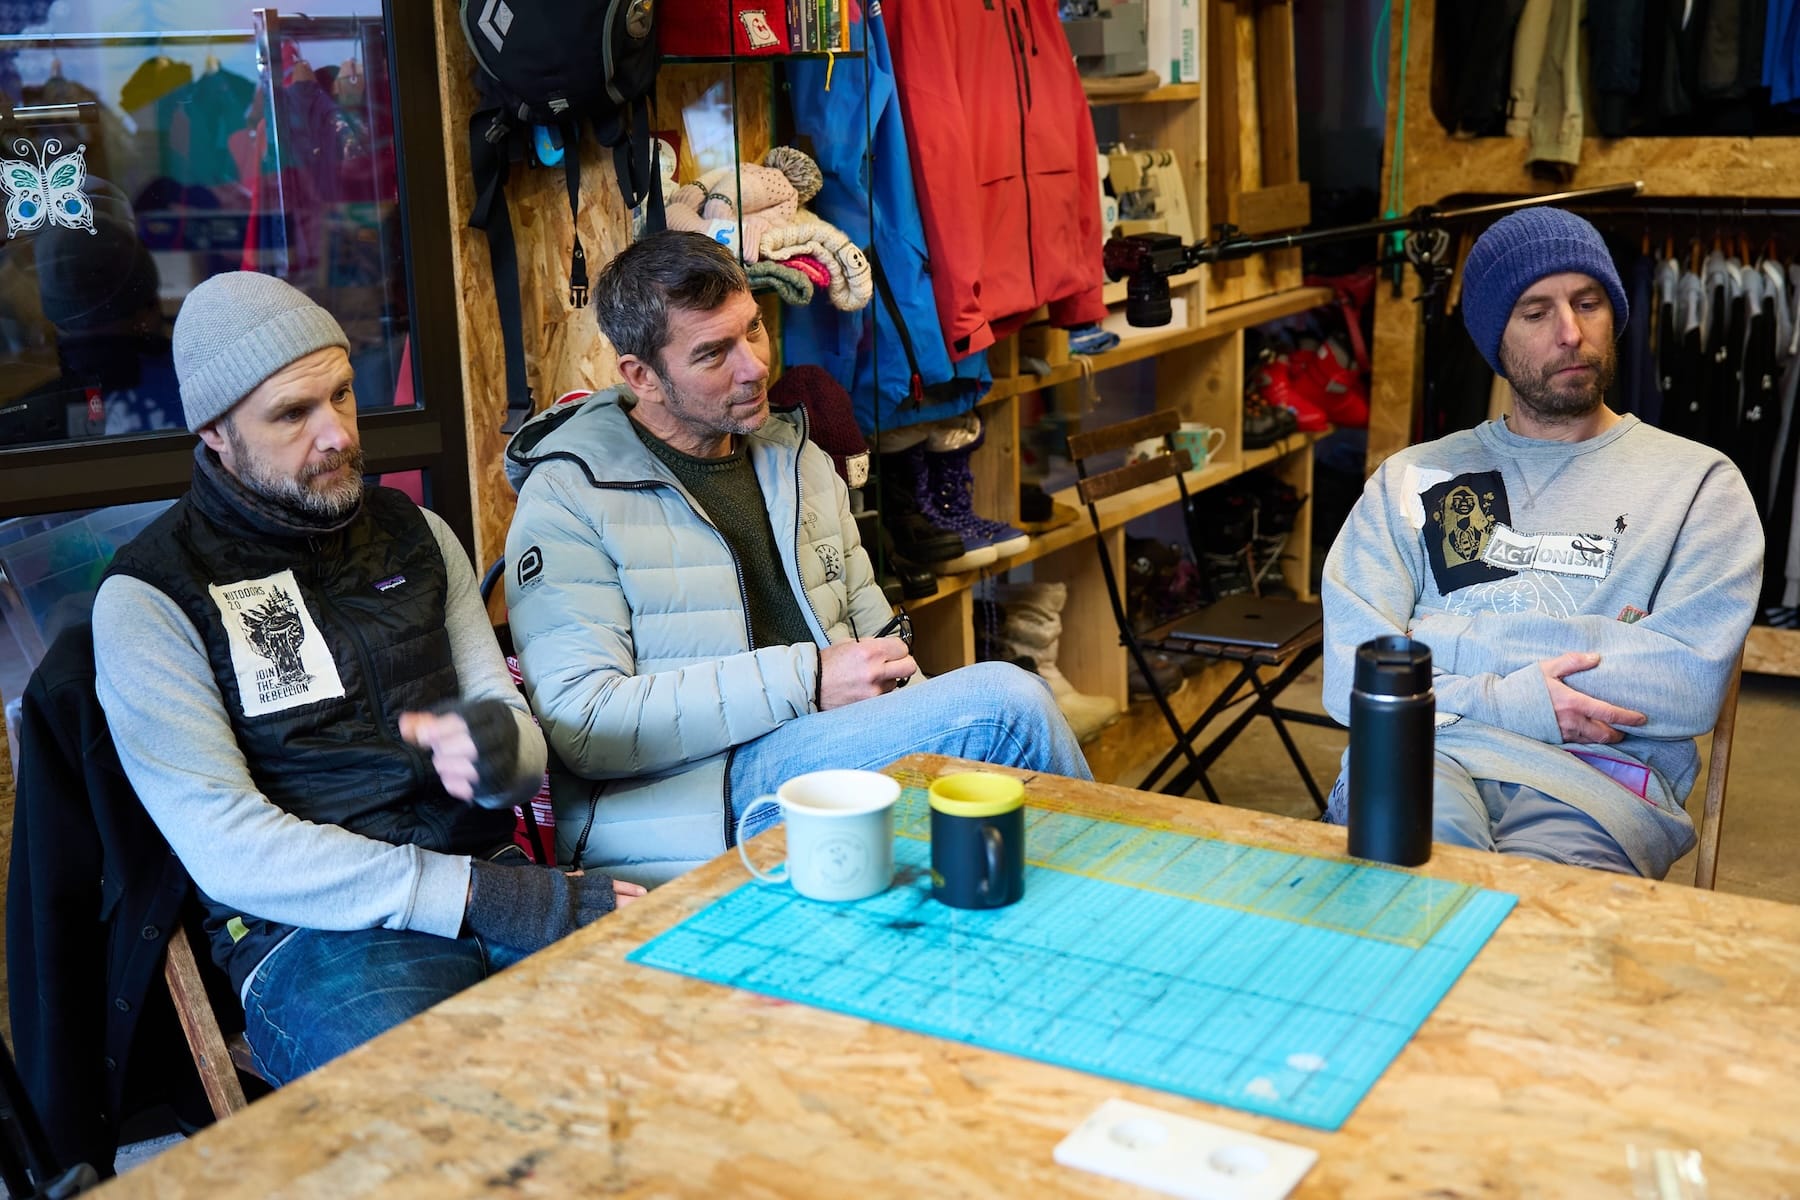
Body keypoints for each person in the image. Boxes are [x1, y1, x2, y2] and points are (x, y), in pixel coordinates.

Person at [91, 272, 644, 1085]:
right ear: (214, 431)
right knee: (451, 1111)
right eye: (292, 414)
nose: (337, 435)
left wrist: (500, 749)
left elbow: (513, 737)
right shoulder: (149, 598)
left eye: (343, 395)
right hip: (315, 938)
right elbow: (229, 850)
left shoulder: (416, 534)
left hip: (489, 876)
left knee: (674, 1039)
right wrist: (487, 898)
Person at [503, 231, 1091, 885]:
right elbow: (584, 726)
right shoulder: (568, 497)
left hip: (832, 755)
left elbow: (883, 649)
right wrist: (806, 681)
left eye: (753, 330)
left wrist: (942, 757)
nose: (754, 366)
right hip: (700, 803)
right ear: (643, 377)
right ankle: (1129, 903)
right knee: (1008, 703)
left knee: (993, 787)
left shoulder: (798, 463)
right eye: (714, 353)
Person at [1321, 207, 1760, 878]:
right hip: (1424, 752)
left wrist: (1434, 636)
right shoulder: (1417, 478)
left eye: (1588, 303)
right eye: (1535, 312)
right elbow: (1354, 673)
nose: (1571, 333)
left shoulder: (1698, 485)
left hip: (1595, 786)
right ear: (1495, 339)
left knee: (1538, 950)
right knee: (1403, 908)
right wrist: (1518, 696)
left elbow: (1684, 682)